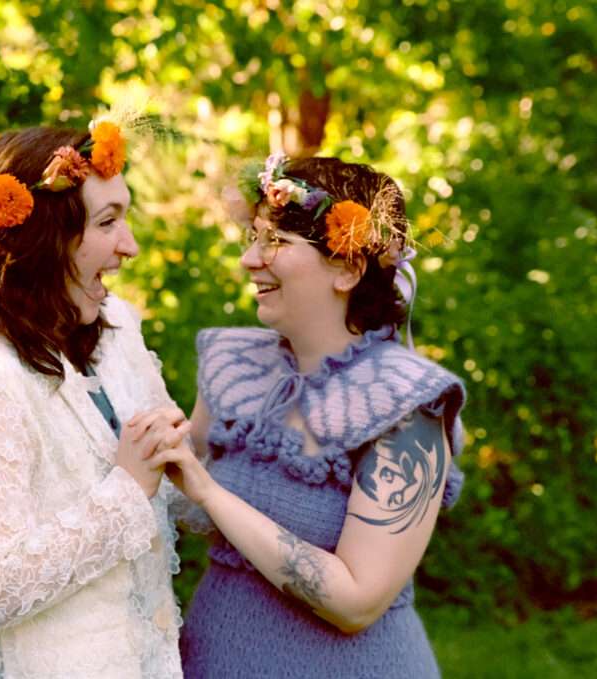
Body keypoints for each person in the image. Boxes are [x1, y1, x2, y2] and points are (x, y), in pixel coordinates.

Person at [148, 154, 467, 677]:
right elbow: (186, 507)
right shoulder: (234, 367)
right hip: (214, 659)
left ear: (347, 268)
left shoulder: (409, 405)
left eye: (275, 242)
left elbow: (357, 602)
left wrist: (209, 492)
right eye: (252, 236)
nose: (251, 259)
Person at [0, 123, 190, 678]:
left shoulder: (116, 327)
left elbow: (181, 494)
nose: (129, 245)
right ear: (41, 237)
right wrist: (128, 490)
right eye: (107, 222)